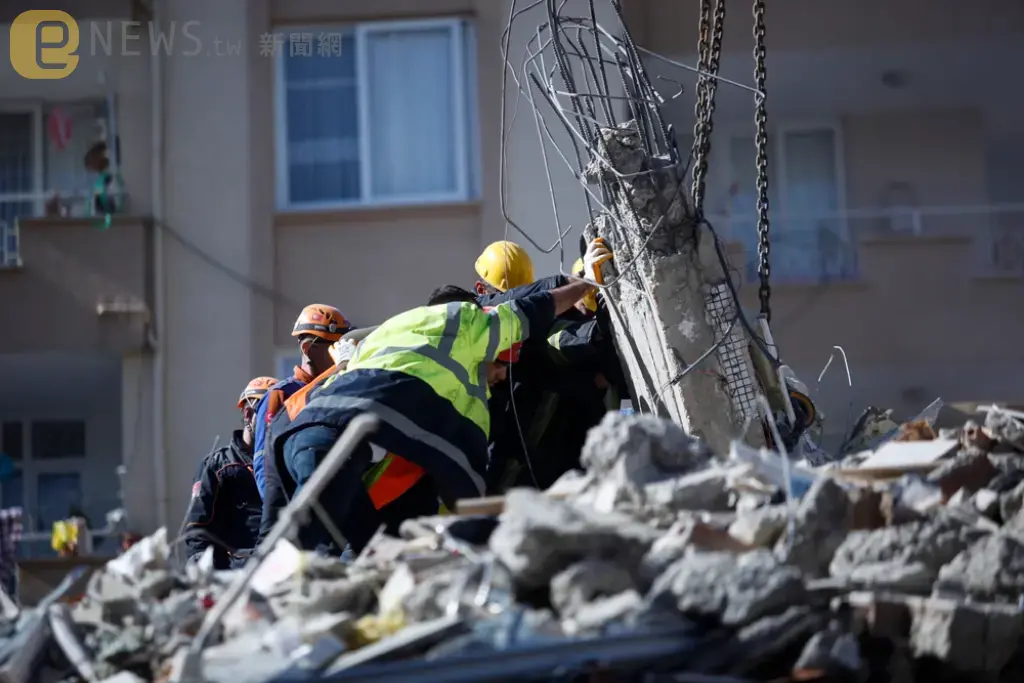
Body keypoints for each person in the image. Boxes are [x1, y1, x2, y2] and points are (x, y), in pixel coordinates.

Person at [268, 241, 611, 554]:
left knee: (364, 548)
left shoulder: (397, 331)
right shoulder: (465, 322)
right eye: (505, 360)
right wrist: (583, 284)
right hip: (336, 432)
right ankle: (257, 597)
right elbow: (528, 310)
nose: (504, 374)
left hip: (302, 434)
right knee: (304, 538)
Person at [252, 305, 350, 500]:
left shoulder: (338, 388)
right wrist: (280, 510)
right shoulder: (280, 396)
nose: (340, 354)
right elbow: (265, 462)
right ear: (308, 348)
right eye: (334, 347)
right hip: (295, 505)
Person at [184, 376, 277, 569]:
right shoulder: (217, 466)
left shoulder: (282, 462)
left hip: (276, 569)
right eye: (269, 413)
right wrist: (204, 571)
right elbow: (197, 529)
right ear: (248, 413)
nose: (273, 420)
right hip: (234, 575)